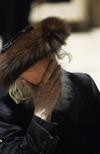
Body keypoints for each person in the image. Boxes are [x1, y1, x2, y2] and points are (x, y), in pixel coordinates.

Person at [0, 16, 100, 154]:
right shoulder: (6, 112)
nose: (50, 86)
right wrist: (42, 114)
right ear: (21, 81)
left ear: (56, 58)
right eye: (41, 84)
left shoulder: (84, 83)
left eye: (53, 73)